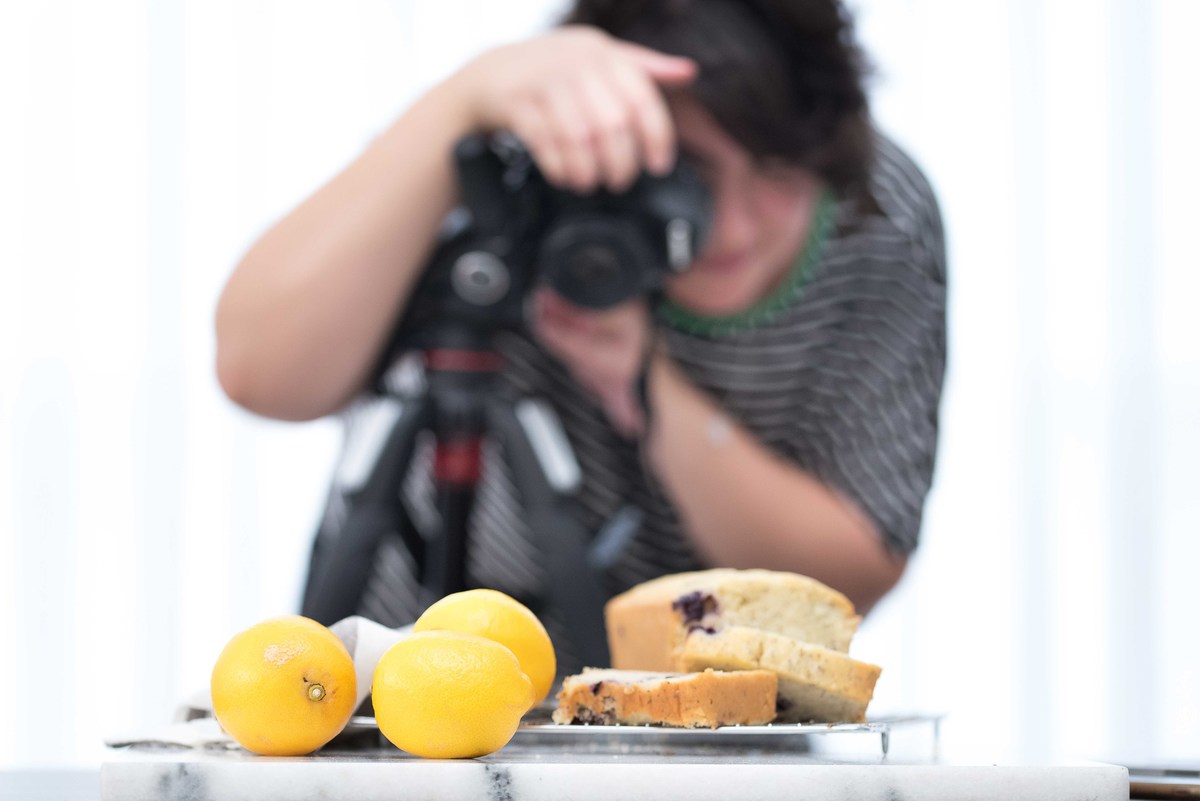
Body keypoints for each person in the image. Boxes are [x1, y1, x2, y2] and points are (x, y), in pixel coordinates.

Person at [215, 0, 946, 670]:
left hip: (691, 727)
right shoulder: (518, 164)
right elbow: (260, 373)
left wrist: (642, 384)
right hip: (404, 704)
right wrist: (462, 103)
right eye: (688, 172)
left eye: (780, 171)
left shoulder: (873, 216)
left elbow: (843, 586)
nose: (737, 225)